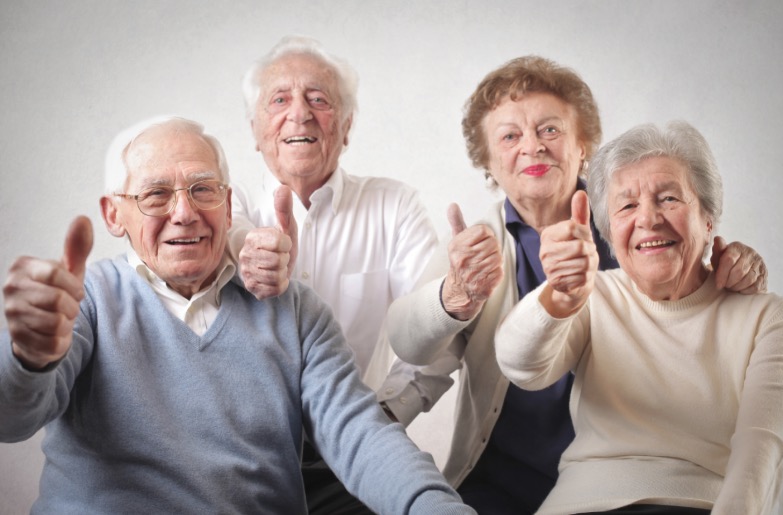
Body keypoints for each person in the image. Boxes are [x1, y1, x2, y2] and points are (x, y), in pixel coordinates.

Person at [0, 116, 476, 514]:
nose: (184, 212)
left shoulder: (296, 311)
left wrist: (437, 507)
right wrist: (28, 358)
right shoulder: (85, 299)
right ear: (113, 214)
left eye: (202, 189)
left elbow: (361, 436)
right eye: (156, 195)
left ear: (228, 206)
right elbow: (10, 420)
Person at [384, 56, 769, 513]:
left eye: (549, 130)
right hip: (507, 479)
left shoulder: (632, 228)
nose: (532, 147)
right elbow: (414, 353)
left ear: (583, 145)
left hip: (621, 476)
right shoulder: (476, 250)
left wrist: (740, 267)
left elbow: (698, 296)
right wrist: (454, 296)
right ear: (487, 161)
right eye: (510, 136)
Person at [495, 120, 783, 514]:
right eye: (627, 206)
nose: (648, 219)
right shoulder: (593, 295)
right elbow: (521, 367)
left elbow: (762, 445)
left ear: (708, 219)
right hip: (579, 505)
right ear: (610, 234)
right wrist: (559, 296)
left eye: (669, 198)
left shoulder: (765, 316)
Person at [229, 36, 455, 514]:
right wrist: (251, 250)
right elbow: (232, 236)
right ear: (255, 129)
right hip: (243, 462)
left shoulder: (394, 206)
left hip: (350, 460)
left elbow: (436, 331)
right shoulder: (227, 204)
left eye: (318, 99)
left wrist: (386, 413)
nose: (300, 114)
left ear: (347, 126)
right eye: (279, 100)